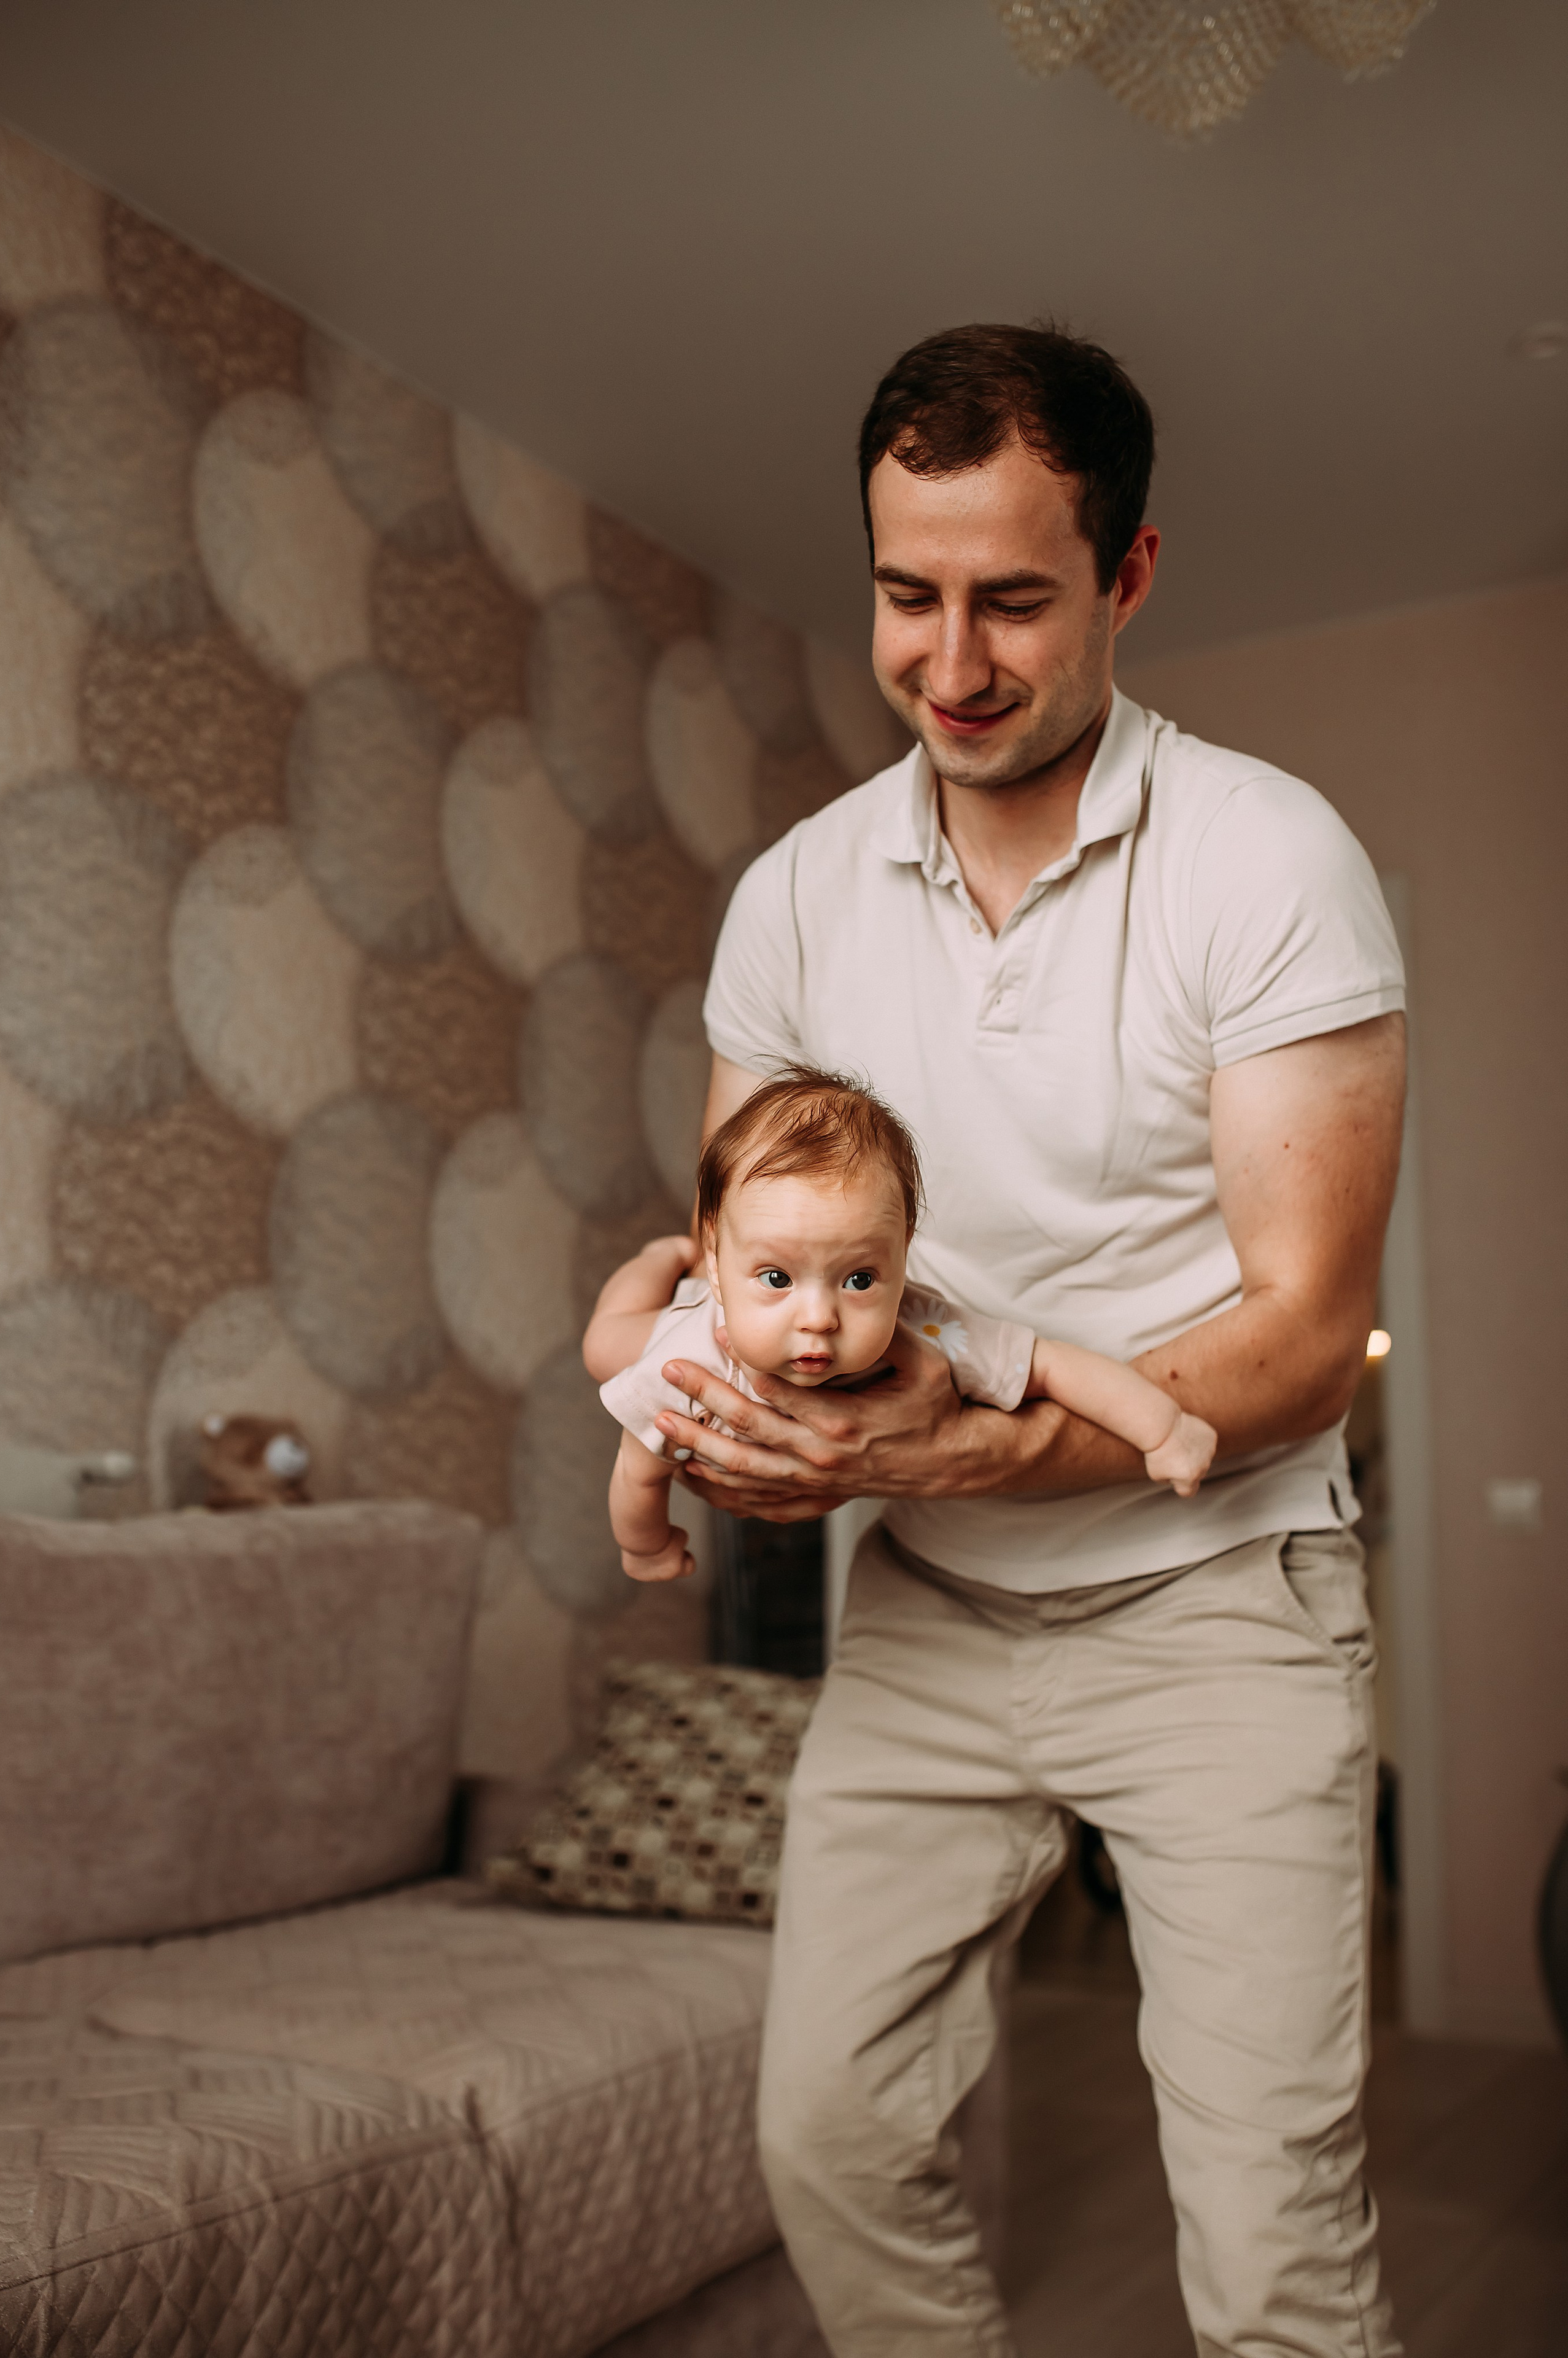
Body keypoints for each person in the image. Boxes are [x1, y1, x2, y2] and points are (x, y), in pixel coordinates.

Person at [654, 322, 1408, 2356]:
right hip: (935, 1615)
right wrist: (711, 1408)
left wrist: (973, 1447)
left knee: (1270, 2241)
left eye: (1012, 599)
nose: (952, 661)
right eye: (907, 595)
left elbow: (1309, 1331)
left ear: (1128, 575)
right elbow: (750, 1256)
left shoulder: (1269, 859)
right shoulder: (797, 899)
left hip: (1217, 1599)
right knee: (827, 2138)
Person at [584, 1068, 1217, 1581]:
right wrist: (646, 1545)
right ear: (720, 1260)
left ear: (901, 1254)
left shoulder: (930, 1330)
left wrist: (1162, 1428)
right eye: (776, 1278)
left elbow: (1050, 1365)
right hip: (687, 1312)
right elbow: (638, 1470)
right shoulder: (683, 1364)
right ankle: (660, 1258)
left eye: (859, 1280)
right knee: (603, 1347)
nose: (818, 1319)